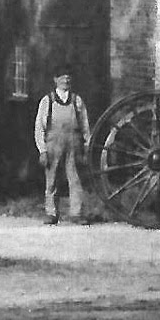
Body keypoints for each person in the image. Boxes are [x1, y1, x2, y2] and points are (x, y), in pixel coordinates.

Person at [34, 70, 91, 225]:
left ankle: (76, 213)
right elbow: (39, 127)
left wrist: (87, 145)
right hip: (53, 144)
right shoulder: (48, 100)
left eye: (68, 77)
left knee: (75, 179)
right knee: (51, 180)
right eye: (62, 77)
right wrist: (42, 150)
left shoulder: (76, 100)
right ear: (55, 79)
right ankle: (51, 213)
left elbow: (85, 125)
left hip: (73, 144)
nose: (66, 80)